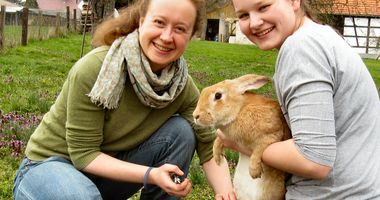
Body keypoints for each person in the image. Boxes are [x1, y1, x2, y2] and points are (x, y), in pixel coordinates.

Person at [12, 0, 237, 199]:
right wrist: (151, 174)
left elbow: (208, 147)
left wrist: (226, 194)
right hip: (47, 168)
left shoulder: (180, 86)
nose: (167, 37)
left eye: (180, 29)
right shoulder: (95, 69)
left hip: (102, 178)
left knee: (181, 133)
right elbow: (83, 155)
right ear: (141, 22)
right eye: (159, 22)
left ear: (190, 36)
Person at [218, 0, 380, 199]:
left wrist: (238, 143)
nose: (254, 23)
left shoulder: (301, 47)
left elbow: (313, 160)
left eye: (264, 7)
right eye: (243, 15)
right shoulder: (321, 36)